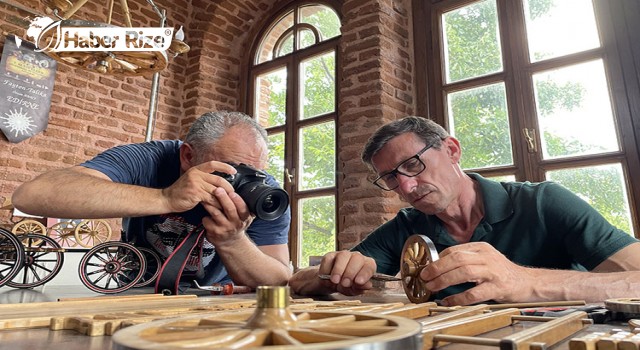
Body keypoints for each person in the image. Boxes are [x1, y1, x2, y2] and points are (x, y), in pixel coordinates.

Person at [289, 116, 640, 306]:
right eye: (391, 178)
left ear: (452, 150)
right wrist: (334, 272)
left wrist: (527, 281)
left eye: (412, 165)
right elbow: (299, 282)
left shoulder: (545, 202)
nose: (406, 188)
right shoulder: (406, 226)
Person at [12, 111, 292, 288]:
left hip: (215, 297)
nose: (245, 181)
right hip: (134, 285)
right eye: (230, 169)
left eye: (256, 171)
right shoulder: (150, 159)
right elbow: (31, 195)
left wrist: (233, 240)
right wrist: (166, 198)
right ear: (188, 156)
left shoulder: (266, 194)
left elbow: (278, 278)